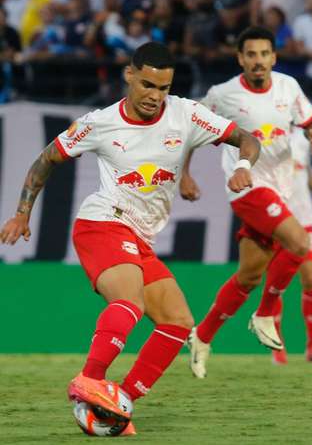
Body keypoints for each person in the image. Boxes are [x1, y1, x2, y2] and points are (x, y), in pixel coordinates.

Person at [0, 42, 260, 435]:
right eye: (148, 85)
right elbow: (46, 159)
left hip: (140, 236)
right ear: (129, 75)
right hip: (102, 223)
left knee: (177, 322)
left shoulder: (187, 114)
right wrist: (23, 212)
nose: (155, 96)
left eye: (164, 88)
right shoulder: (99, 123)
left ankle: (115, 405)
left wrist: (243, 165)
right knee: (129, 301)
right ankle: (89, 378)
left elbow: (248, 139)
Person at [183, 26, 312, 379]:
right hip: (245, 187)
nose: (258, 61)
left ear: (274, 57)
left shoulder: (288, 87)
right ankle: (266, 313)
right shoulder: (222, 95)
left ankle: (202, 336)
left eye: (264, 54)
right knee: (299, 242)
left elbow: (309, 123)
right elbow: (187, 129)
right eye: (251, 54)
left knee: (248, 276)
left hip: (282, 190)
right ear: (240, 59)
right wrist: (185, 174)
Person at [259, 126, 312, 365]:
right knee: (276, 284)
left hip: (304, 219)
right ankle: (276, 345)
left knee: (310, 279)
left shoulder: (301, 136)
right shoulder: (264, 132)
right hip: (278, 220)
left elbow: (302, 169)